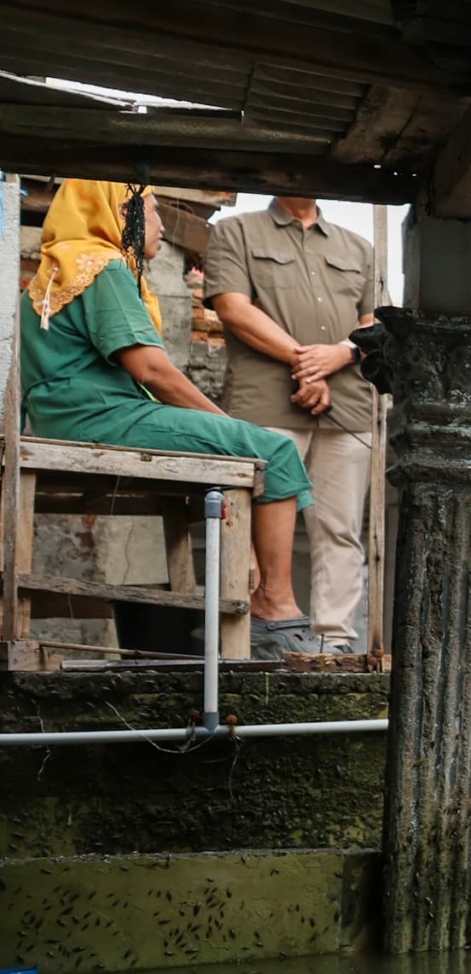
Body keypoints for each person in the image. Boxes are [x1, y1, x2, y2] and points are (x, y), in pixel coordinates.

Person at [20, 181, 318, 656]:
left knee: (253, 451)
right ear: (124, 212)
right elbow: (153, 370)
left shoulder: (58, 266)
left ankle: (258, 594)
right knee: (273, 450)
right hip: (105, 419)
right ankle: (275, 606)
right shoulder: (103, 265)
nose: (160, 223)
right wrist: (234, 429)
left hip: (65, 420)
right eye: (154, 211)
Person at [202, 194, 379, 654]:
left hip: (348, 404)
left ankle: (334, 642)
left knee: (340, 528)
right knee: (250, 522)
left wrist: (340, 353)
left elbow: (378, 321)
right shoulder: (236, 231)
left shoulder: (359, 246)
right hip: (266, 403)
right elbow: (233, 308)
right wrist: (306, 364)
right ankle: (246, 638)